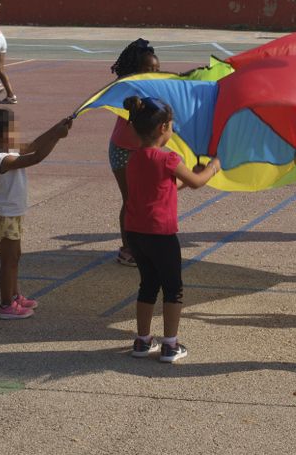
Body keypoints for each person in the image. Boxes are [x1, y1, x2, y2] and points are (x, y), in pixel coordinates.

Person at [122, 95, 220, 363]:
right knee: (173, 288)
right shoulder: (168, 159)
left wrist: (186, 181)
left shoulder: (134, 158)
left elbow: (164, 187)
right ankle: (170, 344)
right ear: (162, 128)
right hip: (161, 235)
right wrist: (212, 167)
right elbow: (199, 181)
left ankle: (142, 341)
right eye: (172, 126)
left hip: (136, 233)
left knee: (148, 285)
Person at [0, 109, 72, 319]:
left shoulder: (8, 147)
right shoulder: (0, 159)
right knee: (8, 261)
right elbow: (36, 157)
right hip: (3, 216)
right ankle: (6, 305)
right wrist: (57, 139)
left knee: (15, 257)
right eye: (12, 130)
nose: (17, 134)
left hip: (11, 214)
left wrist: (56, 129)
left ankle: (15, 295)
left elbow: (34, 145)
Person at [109, 39, 160, 266]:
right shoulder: (128, 89)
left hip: (142, 150)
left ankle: (142, 244)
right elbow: (132, 110)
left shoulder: (158, 87)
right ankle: (127, 249)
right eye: (148, 69)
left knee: (144, 199)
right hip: (123, 149)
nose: (153, 72)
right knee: (131, 200)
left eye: (157, 69)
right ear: (136, 70)